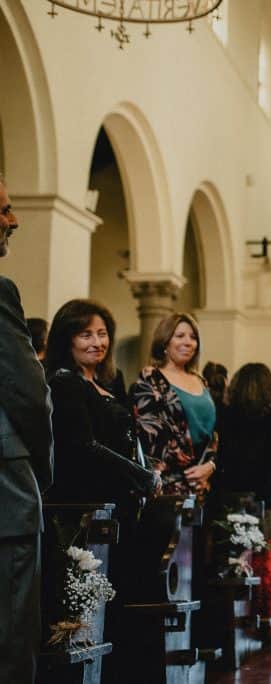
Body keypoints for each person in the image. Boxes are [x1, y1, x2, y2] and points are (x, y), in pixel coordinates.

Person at [0, 178, 54, 683]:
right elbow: (27, 393)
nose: (13, 220)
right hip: (5, 491)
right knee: (10, 638)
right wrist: (42, 471)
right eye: (3, 210)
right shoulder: (1, 292)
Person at [45, 300, 158, 504]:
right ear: (66, 340)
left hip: (119, 496)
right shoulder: (64, 383)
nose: (97, 343)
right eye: (86, 335)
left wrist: (148, 469)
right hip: (85, 501)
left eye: (102, 334)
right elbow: (84, 446)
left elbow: (127, 436)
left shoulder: (111, 380)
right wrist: (142, 476)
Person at [215, 362, 271, 640]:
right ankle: (267, 622)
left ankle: (231, 625)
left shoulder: (225, 416)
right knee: (265, 560)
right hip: (265, 500)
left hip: (230, 498)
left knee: (233, 559)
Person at [132, 312, 218, 497]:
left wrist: (210, 466)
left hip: (204, 484)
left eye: (193, 337)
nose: (188, 342)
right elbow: (150, 434)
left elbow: (214, 435)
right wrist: (189, 472)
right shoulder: (151, 379)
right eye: (180, 336)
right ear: (164, 342)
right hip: (167, 485)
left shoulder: (201, 380)